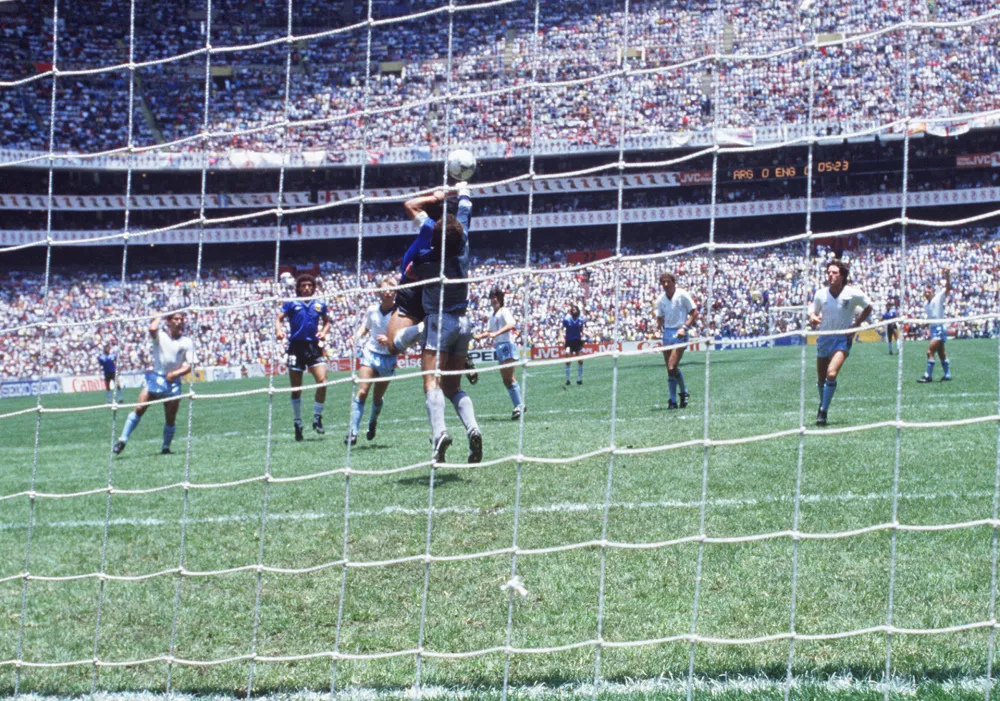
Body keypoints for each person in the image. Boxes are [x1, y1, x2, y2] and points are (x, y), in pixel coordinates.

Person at [404, 181, 482, 463]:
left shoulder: (427, 260)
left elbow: (410, 272)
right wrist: (462, 190)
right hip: (464, 322)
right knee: (453, 386)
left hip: (439, 322)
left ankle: (440, 434)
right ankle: (472, 429)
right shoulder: (464, 247)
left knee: (431, 382)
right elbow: (465, 213)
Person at [113, 313, 195, 455]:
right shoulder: (160, 336)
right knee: (139, 408)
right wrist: (160, 316)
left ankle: (165, 447)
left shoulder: (187, 342)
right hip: (156, 379)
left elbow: (189, 365)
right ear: (168, 321)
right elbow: (152, 329)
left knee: (170, 418)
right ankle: (122, 440)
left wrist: (174, 374)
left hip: (173, 384)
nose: (179, 322)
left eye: (181, 319)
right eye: (176, 319)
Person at [809, 259, 873, 426]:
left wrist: (856, 325)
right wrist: (813, 317)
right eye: (829, 272)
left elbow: (868, 306)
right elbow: (812, 310)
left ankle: (822, 411)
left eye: (834, 272)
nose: (830, 275)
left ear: (842, 275)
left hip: (842, 339)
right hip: (824, 339)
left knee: (831, 373)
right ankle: (822, 407)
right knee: (821, 379)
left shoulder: (852, 293)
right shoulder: (821, 294)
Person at [276, 274, 331, 442]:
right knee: (296, 389)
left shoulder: (319, 304)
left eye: (309, 285)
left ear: (314, 287)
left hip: (313, 348)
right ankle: (298, 422)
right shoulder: (291, 303)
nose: (307, 288)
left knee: (323, 382)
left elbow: (327, 321)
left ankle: (317, 418)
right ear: (298, 288)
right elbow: (279, 318)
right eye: (303, 285)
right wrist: (278, 330)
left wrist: (323, 331)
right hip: (296, 348)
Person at [346, 276, 398, 445]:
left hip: (388, 357)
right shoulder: (372, 310)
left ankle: (372, 423)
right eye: (384, 290)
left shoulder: (400, 313)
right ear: (379, 292)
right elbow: (365, 327)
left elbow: (405, 335)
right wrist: (356, 337)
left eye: (391, 289)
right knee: (362, 391)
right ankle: (353, 432)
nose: (388, 293)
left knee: (377, 398)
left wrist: (391, 339)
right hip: (370, 353)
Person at [475, 286, 524, 420]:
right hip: (499, 346)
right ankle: (518, 405)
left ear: (501, 299)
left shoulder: (504, 311)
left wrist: (496, 333)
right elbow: (489, 331)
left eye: (497, 297)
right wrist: (480, 336)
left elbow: (511, 324)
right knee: (505, 379)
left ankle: (519, 405)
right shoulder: (492, 315)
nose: (494, 299)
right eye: (492, 297)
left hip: (507, 345)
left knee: (509, 376)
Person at [654, 271, 699, 409]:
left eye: (668, 281)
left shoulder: (682, 294)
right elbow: (660, 317)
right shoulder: (661, 299)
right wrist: (657, 329)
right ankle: (678, 397)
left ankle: (677, 397)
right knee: (670, 369)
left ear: (674, 282)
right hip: (667, 333)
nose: (666, 285)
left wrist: (685, 327)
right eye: (663, 282)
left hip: (680, 333)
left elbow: (694, 312)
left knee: (672, 366)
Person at [917, 269, 952, 383]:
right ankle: (947, 375)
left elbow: (948, 288)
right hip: (933, 328)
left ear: (932, 291)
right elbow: (931, 317)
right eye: (925, 292)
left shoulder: (938, 298)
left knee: (930, 351)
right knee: (941, 353)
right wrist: (925, 324)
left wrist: (947, 275)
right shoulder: (926, 305)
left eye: (928, 291)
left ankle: (928, 376)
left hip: (939, 328)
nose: (926, 293)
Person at [562, 304, 585, 386]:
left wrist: (586, 335)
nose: (573, 311)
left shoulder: (581, 320)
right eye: (572, 310)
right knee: (568, 359)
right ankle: (568, 379)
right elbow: (561, 329)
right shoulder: (567, 319)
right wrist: (561, 337)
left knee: (580, 360)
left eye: (574, 309)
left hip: (577, 341)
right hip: (569, 342)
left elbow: (582, 330)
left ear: (577, 311)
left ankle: (579, 379)